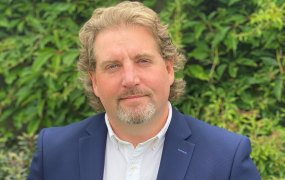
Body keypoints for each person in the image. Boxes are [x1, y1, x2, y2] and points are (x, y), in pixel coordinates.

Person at [27, 1, 261, 180]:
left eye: (143, 61)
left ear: (169, 69)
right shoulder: (54, 152)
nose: (130, 79)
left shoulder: (227, 157)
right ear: (94, 81)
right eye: (112, 66)